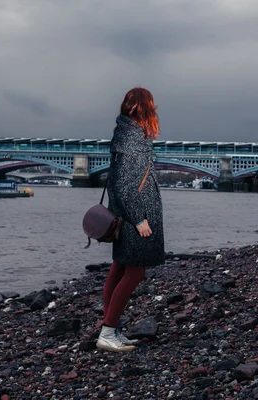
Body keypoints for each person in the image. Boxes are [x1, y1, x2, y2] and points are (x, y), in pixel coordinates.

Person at [96, 87, 165, 352]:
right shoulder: (133, 139)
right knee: (134, 272)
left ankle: (110, 328)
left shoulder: (125, 135)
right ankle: (108, 332)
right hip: (136, 216)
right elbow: (125, 185)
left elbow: (118, 183)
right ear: (143, 109)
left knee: (119, 269)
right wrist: (139, 220)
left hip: (125, 214)